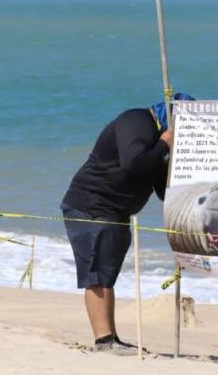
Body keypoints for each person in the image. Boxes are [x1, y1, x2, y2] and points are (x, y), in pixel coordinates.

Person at [61, 93, 194, 354]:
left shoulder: (156, 141)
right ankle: (103, 340)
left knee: (107, 274)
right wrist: (166, 144)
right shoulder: (136, 121)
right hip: (92, 205)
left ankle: (111, 337)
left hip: (116, 212)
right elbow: (133, 163)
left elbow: (161, 190)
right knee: (97, 273)